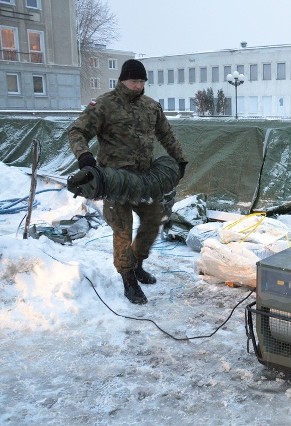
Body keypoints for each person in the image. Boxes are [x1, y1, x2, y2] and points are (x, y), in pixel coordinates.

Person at [68, 59, 188, 305]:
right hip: (114, 181)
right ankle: (127, 279)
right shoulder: (104, 105)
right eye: (134, 81)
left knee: (154, 220)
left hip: (144, 180)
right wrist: (84, 156)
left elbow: (166, 134)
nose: (138, 86)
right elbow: (77, 131)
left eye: (142, 81)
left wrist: (180, 160)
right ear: (123, 80)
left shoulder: (151, 107)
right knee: (122, 229)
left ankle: (137, 263)